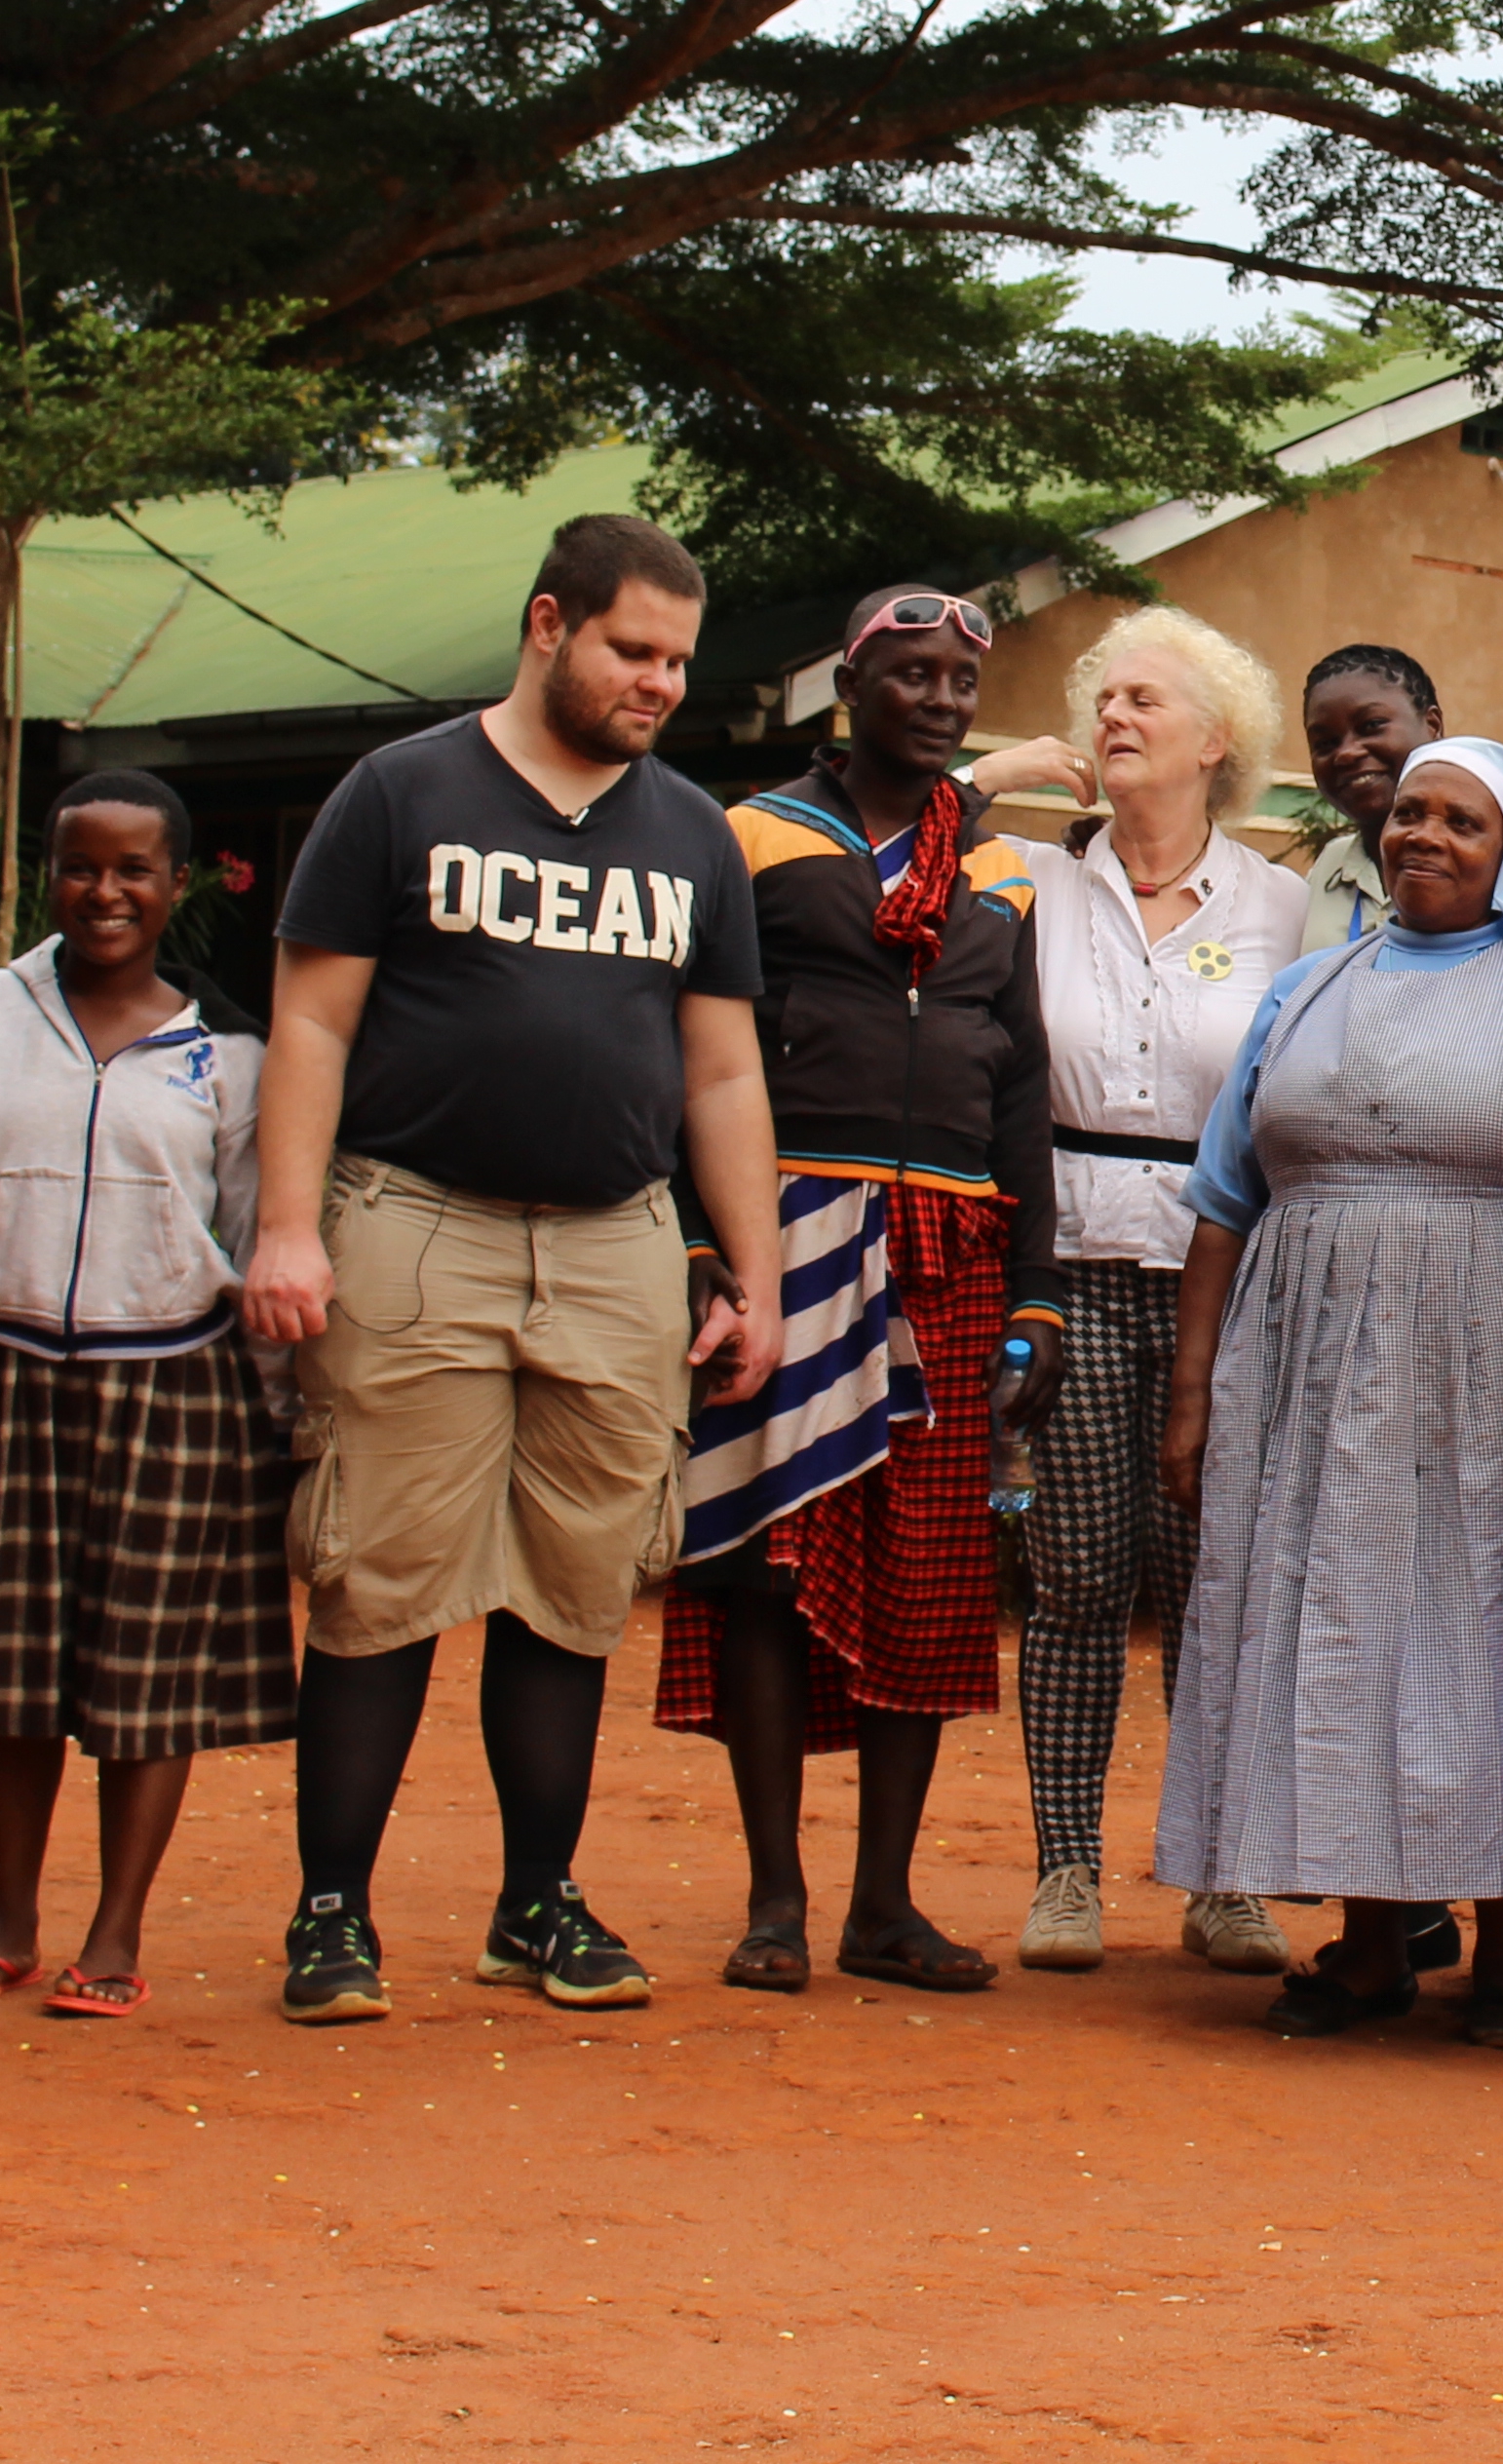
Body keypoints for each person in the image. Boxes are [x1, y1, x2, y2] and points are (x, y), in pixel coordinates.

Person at [246, 511, 783, 2027]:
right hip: (417, 1224)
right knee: (381, 1582)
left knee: (573, 1589)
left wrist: (750, 1271)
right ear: (550, 624)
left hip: (619, 1242)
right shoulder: (400, 791)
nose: (660, 684)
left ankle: (533, 1906)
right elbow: (314, 1028)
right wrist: (289, 1229)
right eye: (633, 650)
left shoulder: (690, 831)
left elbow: (724, 1074)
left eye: (678, 660)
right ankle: (331, 1916)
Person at [1154, 737, 1503, 2046]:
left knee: (1484, 1621)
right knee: (1336, 1625)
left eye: (1459, 822)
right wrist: (1192, 1398)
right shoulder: (1308, 989)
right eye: (1408, 815)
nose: (1422, 836)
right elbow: (1219, 1204)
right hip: (1306, 1369)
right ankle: (1368, 1943)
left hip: (1497, 1369)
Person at [649, 583, 1058, 1996]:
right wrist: (708, 1248)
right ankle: (776, 1900)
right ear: (852, 685)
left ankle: (884, 1902)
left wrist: (1036, 1298)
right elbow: (697, 1048)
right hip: (789, 1230)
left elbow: (1023, 1091)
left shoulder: (1001, 871)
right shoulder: (750, 837)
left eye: (960, 681)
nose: (941, 699)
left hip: (952, 1244)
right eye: (914, 675)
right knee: (772, 1562)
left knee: (927, 1582)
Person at [0, 769, 289, 2021]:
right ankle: (7, 1922)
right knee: (15, 1665)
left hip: (171, 1385)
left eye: (134, 870)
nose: (105, 892)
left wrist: (282, 1410)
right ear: (48, 876)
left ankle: (115, 1932)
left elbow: (260, 1240)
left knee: (148, 1677)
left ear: (178, 883)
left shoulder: (230, 1052)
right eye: (80, 867)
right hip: (3, 1372)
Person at [980, 608, 1312, 1975]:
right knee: (1072, 1581)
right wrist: (1005, 767)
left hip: (1217, 1279)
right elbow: (883, 827)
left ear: (1218, 741)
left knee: (1211, 1583)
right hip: (1065, 1265)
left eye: (1146, 701)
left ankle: (1223, 1873)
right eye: (1100, 699)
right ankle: (1066, 1872)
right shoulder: (1027, 881)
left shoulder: (1284, 907)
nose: (1117, 717)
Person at [1296, 643, 1448, 946]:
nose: (1347, 753)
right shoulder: (1330, 868)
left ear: (1432, 726)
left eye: (1371, 726)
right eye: (1325, 743)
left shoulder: (1482, 866)